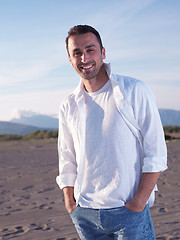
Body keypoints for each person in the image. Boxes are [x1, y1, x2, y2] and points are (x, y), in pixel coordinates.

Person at [56, 25, 167, 240]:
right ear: (70, 59)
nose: (84, 58)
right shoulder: (68, 105)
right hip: (85, 213)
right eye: (76, 53)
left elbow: (156, 152)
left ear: (103, 52)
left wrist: (138, 202)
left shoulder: (133, 90)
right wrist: (70, 202)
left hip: (128, 212)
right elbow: (67, 157)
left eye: (90, 50)